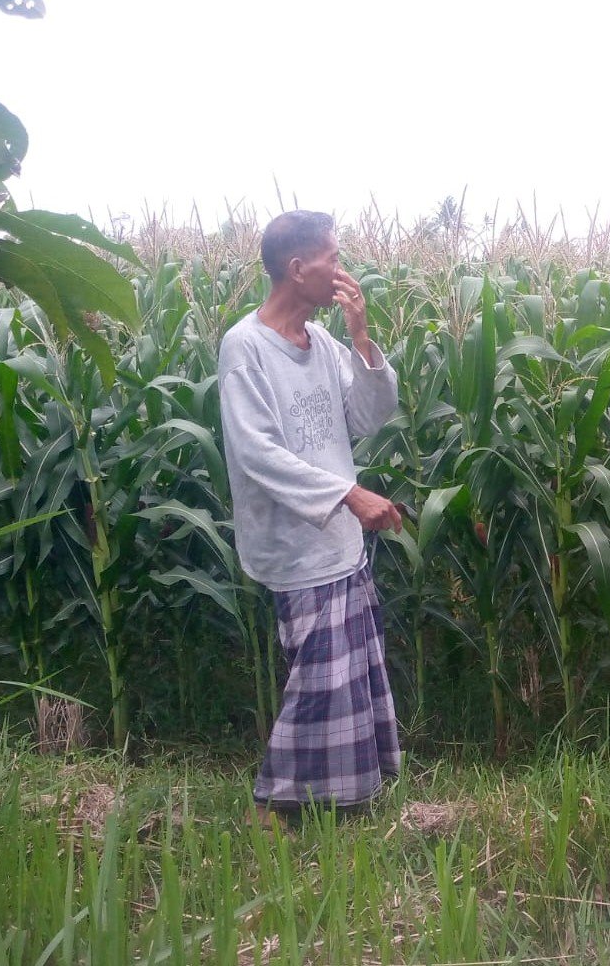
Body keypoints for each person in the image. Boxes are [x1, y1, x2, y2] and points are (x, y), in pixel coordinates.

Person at [218, 210, 404, 825]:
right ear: (298, 269)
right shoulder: (246, 348)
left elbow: (368, 418)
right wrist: (349, 495)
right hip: (294, 543)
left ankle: (344, 795)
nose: (343, 270)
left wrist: (362, 339)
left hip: (339, 542)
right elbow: (257, 453)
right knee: (318, 683)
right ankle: (274, 805)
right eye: (333, 258)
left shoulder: (322, 343)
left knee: (343, 677)